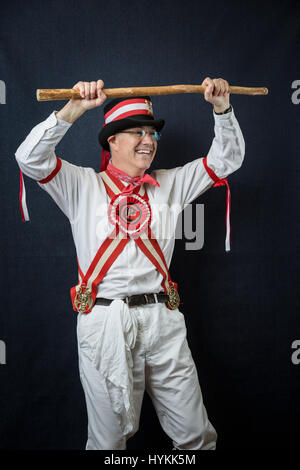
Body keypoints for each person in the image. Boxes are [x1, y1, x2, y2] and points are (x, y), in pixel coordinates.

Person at [15, 77, 245, 450]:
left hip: (163, 320)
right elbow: (28, 158)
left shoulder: (170, 184)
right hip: (105, 322)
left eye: (152, 133)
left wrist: (222, 108)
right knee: (107, 444)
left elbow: (227, 159)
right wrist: (74, 108)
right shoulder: (81, 186)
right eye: (136, 132)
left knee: (197, 437)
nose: (148, 140)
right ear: (112, 141)